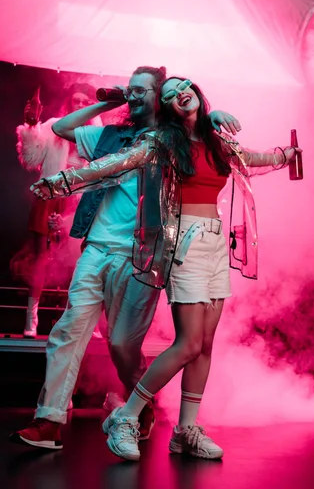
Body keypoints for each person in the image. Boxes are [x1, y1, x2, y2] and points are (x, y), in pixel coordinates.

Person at [27, 75, 300, 461]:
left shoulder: (217, 140)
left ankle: (186, 430)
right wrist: (62, 182)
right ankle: (126, 415)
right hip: (180, 242)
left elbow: (249, 160)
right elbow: (112, 165)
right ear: (166, 108)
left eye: (182, 87)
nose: (178, 94)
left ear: (197, 93)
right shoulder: (161, 142)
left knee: (204, 346)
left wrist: (286, 155)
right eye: (169, 94)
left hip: (215, 243)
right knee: (186, 343)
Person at [15, 83, 100, 337]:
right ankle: (32, 318)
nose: (81, 104)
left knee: (82, 261)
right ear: (69, 102)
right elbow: (31, 158)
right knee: (41, 258)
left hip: (79, 200)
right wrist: (30, 126)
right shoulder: (54, 125)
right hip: (51, 195)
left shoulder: (96, 132)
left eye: (86, 102)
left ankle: (82, 320)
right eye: (77, 100)